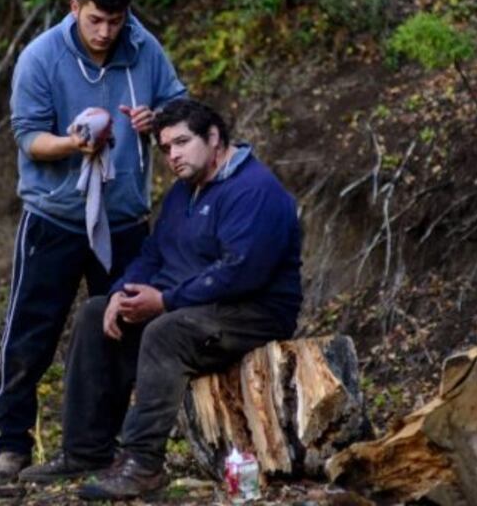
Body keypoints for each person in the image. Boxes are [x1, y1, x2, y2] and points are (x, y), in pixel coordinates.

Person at [17, 98, 302, 501]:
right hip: (196, 305)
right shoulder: (184, 193)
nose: (173, 155)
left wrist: (166, 301)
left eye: (182, 142)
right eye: (166, 148)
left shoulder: (254, 191)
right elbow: (152, 253)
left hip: (253, 313)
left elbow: (241, 273)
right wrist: (123, 292)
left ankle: (143, 464)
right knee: (96, 311)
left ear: (214, 137)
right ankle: (86, 452)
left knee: (166, 332)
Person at [0, 0, 186, 485]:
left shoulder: (144, 48)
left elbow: (180, 110)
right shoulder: (41, 57)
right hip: (54, 217)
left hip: (123, 219)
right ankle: (11, 446)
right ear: (74, 8)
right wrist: (74, 145)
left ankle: (112, 445)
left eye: (115, 21)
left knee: (121, 333)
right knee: (30, 335)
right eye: (96, 20)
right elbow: (29, 138)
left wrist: (156, 121)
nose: (105, 32)